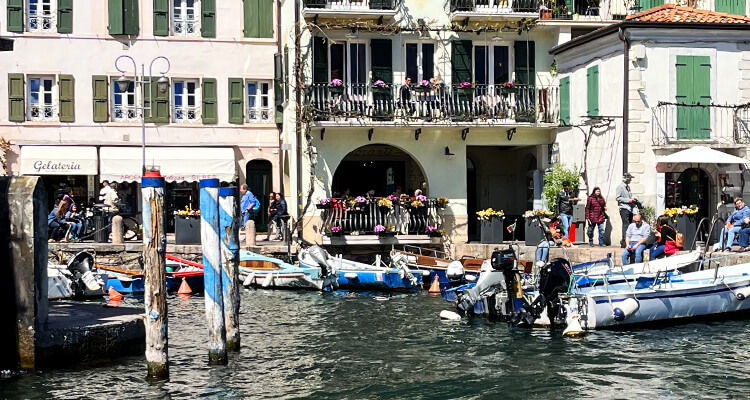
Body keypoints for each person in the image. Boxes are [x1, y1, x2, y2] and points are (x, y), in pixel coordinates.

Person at [616, 173, 638, 248]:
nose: (630, 180)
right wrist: (629, 200)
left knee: (629, 225)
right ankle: (625, 241)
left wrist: (634, 199)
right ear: (626, 179)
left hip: (629, 208)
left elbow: (630, 195)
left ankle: (627, 240)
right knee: (626, 224)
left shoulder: (628, 187)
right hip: (624, 208)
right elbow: (618, 198)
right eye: (630, 179)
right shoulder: (620, 187)